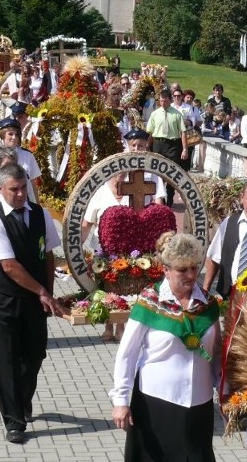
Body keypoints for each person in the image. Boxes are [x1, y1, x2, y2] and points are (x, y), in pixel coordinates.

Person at [110, 232, 221, 462]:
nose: (190, 275)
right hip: (156, 404)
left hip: (199, 404)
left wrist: (226, 390)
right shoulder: (150, 302)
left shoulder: (208, 304)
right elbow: (127, 354)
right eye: (182, 269)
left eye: (193, 267)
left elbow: (216, 354)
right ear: (166, 270)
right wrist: (120, 400)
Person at [0, 164, 64, 444]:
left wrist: (48, 291)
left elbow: (49, 254)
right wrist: (43, 291)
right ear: (1, 189)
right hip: (6, 300)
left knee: (36, 352)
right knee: (7, 359)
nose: (19, 194)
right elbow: (9, 265)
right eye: (13, 189)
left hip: (36, 297)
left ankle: (23, 399)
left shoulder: (40, 214)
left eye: (22, 188)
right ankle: (14, 420)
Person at [82, 128, 166, 342]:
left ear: (147, 146)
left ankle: (130, 326)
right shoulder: (103, 189)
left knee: (134, 285)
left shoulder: (152, 176)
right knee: (107, 286)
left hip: (137, 243)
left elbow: (159, 206)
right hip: (104, 247)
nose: (137, 149)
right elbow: (87, 222)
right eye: (133, 145)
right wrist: (73, 250)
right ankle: (110, 326)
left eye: (141, 145)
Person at [203, 177, 247, 299]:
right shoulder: (228, 223)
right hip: (228, 294)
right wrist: (205, 291)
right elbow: (214, 258)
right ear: (242, 198)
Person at [146, 89, 189, 206]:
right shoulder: (154, 114)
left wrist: (185, 149)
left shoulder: (177, 114)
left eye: (165, 101)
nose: (162, 103)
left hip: (172, 145)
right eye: (160, 101)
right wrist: (147, 146)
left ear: (170, 101)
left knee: (171, 172)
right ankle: (158, 198)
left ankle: (169, 199)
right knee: (157, 172)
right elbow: (150, 132)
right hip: (158, 144)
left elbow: (183, 132)